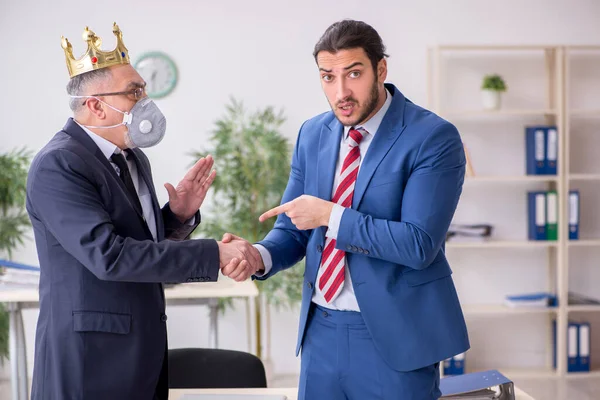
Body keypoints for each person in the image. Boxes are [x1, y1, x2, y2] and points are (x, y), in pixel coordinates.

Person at [222, 19, 470, 399]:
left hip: (397, 338)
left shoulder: (432, 137)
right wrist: (259, 255)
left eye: (353, 73)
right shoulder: (313, 133)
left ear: (380, 69)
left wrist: (330, 216)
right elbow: (295, 227)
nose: (341, 91)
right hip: (320, 332)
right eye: (328, 77)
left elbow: (419, 244)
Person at [26, 23, 254, 400]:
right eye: (135, 92)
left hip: (140, 356)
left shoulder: (133, 157)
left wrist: (176, 217)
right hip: (89, 362)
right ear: (95, 106)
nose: (146, 101)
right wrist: (214, 253)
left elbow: (137, 244)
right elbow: (109, 256)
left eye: (143, 90)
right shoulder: (59, 164)